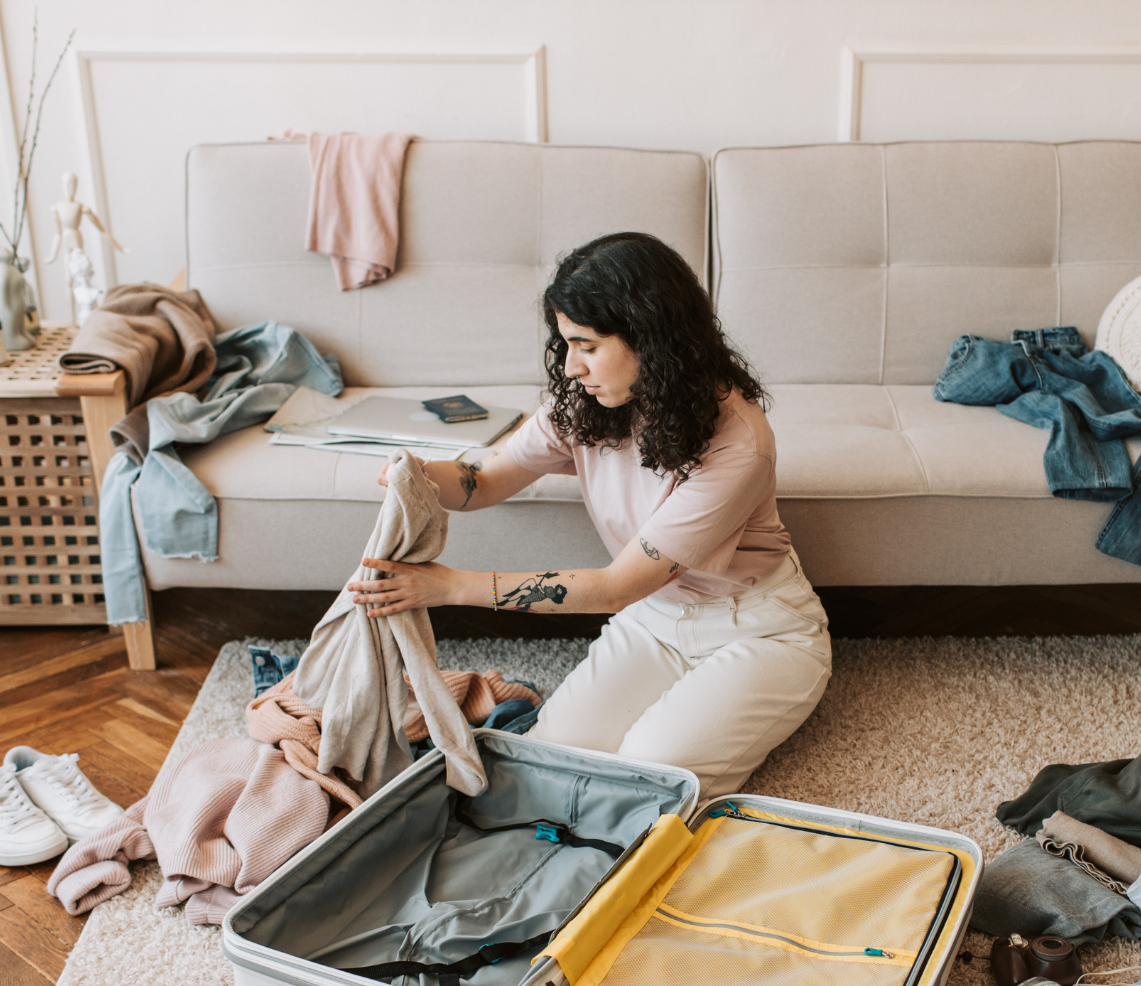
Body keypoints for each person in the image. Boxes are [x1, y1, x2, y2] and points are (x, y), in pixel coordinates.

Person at [346, 232, 831, 797]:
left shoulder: (740, 444)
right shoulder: (588, 404)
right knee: (549, 758)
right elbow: (486, 479)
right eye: (565, 344)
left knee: (648, 775)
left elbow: (616, 587)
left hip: (759, 629)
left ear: (651, 336)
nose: (571, 366)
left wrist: (451, 587)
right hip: (656, 619)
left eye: (587, 346)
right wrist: (421, 475)